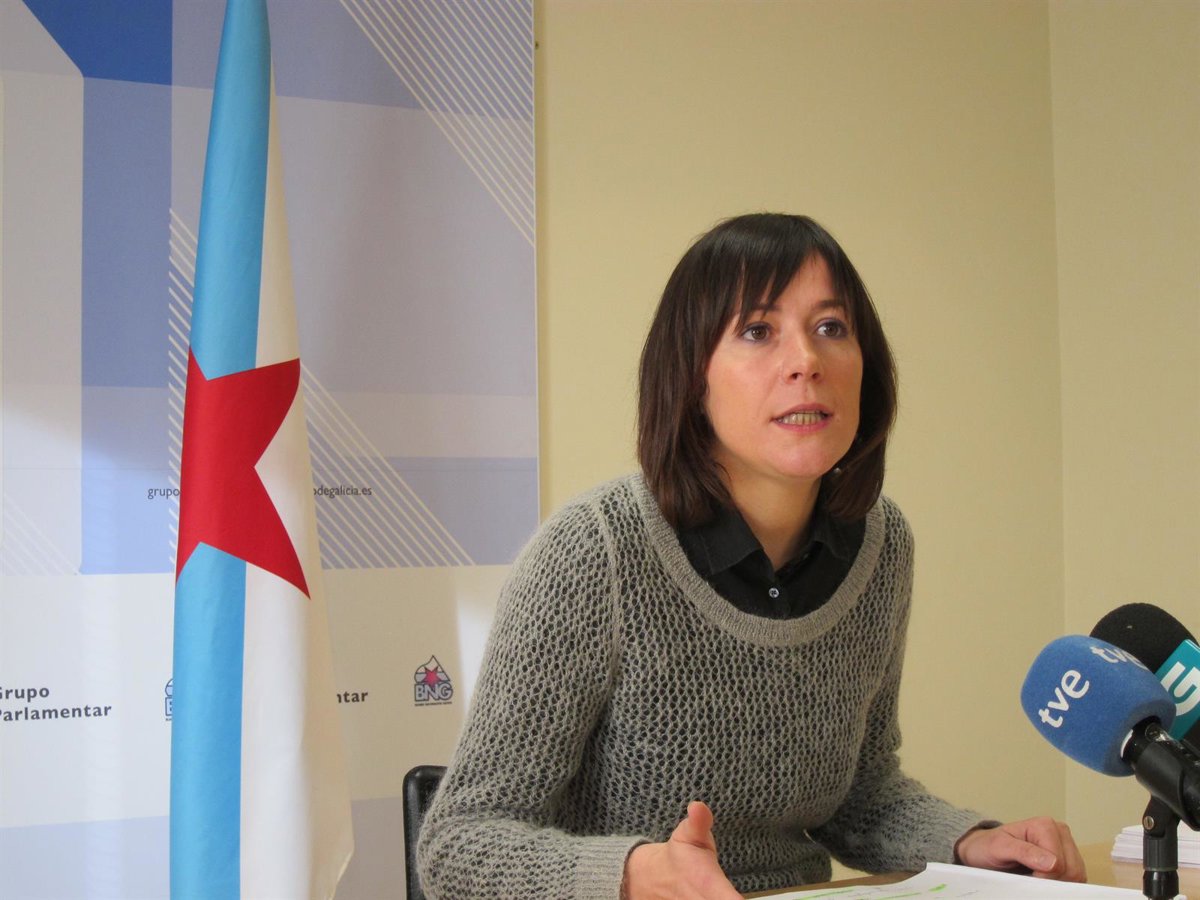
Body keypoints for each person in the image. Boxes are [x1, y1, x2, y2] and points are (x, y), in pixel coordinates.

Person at [416, 213, 1085, 898]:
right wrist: (634, 874)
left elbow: (860, 795)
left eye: (832, 327)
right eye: (759, 331)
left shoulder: (882, 547)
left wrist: (970, 842)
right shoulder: (595, 552)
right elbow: (459, 844)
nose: (807, 361)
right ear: (692, 377)